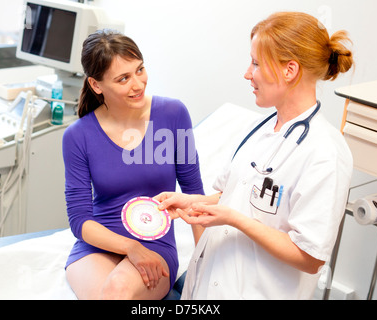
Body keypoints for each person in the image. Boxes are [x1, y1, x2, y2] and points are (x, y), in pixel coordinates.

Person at [155, 11, 354, 299]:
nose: (247, 73)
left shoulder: (325, 153)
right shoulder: (258, 128)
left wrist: (234, 220)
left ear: (290, 70)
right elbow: (233, 197)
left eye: (257, 63)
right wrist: (191, 202)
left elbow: (310, 257)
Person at [62, 29, 204, 300]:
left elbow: (194, 194)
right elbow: (80, 220)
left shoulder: (173, 114)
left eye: (140, 70)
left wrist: (205, 265)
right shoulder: (77, 136)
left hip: (154, 245)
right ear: (96, 85)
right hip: (97, 245)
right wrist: (130, 248)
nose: (138, 84)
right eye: (123, 78)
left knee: (117, 290)